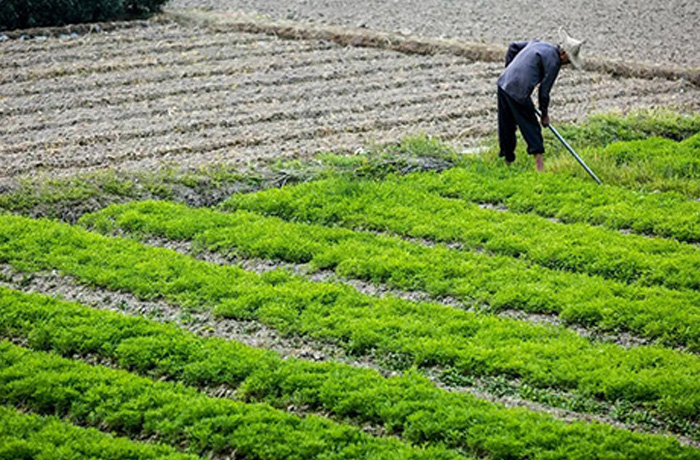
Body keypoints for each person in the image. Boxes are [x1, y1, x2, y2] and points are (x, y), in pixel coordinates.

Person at [497, 28, 584, 171]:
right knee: (531, 127)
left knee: (506, 123)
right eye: (569, 60)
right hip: (518, 91)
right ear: (563, 54)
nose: (568, 63)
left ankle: (508, 161)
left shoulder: (538, 43)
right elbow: (544, 92)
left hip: (503, 83)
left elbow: (513, 47)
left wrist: (509, 71)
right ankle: (540, 167)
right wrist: (544, 114)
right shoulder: (554, 62)